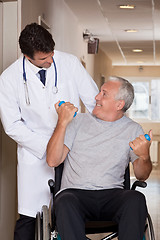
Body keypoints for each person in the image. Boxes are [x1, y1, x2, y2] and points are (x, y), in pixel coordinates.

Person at [0, 23, 98, 240]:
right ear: (27, 56)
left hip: (71, 148)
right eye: (44, 59)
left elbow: (93, 102)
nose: (50, 61)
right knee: (29, 217)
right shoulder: (9, 79)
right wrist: (48, 147)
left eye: (52, 54)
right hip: (35, 155)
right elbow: (12, 125)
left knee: (69, 211)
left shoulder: (70, 63)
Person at [47, 76, 152, 240]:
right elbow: (53, 161)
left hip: (113, 196)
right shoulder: (77, 122)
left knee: (136, 199)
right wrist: (62, 122)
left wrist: (144, 155)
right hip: (75, 195)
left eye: (104, 94)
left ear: (119, 104)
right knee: (64, 201)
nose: (96, 97)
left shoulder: (133, 129)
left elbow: (141, 175)